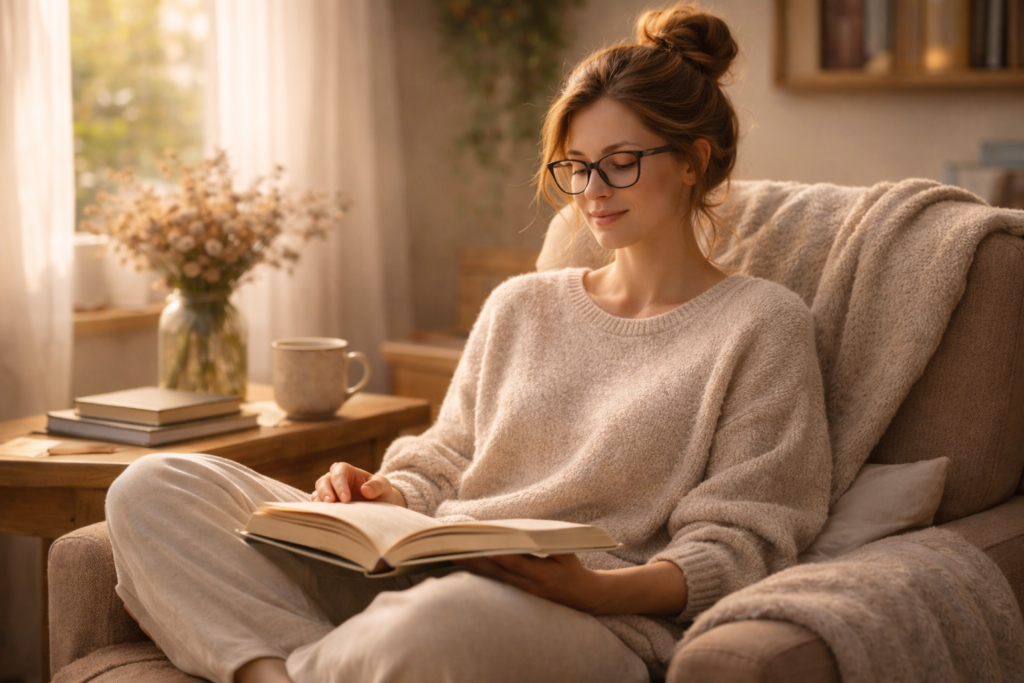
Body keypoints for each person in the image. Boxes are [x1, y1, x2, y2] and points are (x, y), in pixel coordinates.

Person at [105, 4, 832, 683]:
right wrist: (387, 491)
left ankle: (331, 653)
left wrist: (597, 586)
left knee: (435, 622)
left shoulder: (762, 323)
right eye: (575, 165)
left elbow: (745, 539)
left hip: (588, 617)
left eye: (620, 161)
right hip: (428, 572)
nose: (591, 190)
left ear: (693, 161)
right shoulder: (522, 302)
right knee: (153, 485)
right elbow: (444, 460)